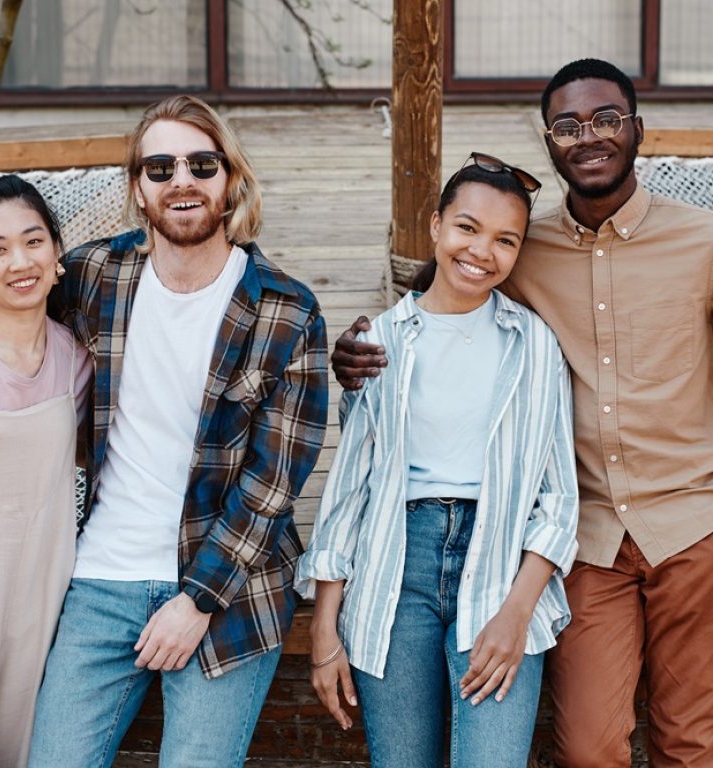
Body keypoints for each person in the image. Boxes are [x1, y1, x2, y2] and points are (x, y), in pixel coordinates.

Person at [333, 58, 713, 768]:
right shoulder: (518, 242)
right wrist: (353, 354)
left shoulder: (702, 242)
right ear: (549, 142)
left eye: (606, 119)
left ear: (637, 129)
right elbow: (434, 294)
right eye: (567, 126)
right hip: (589, 537)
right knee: (587, 746)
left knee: (691, 741)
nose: (588, 137)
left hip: (693, 526)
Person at [28, 95, 328, 768]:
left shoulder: (286, 310)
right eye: (160, 167)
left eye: (201, 163)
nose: (181, 181)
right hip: (101, 580)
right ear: (138, 187)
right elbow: (5, 302)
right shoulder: (94, 275)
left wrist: (197, 600)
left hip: (228, 591)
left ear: (231, 178)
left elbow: (274, 482)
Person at [295, 155, 578, 768]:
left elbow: (557, 499)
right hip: (397, 568)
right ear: (435, 226)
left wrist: (517, 612)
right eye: (467, 228)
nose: (482, 251)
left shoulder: (534, 345)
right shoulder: (380, 342)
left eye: (506, 240)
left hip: (502, 566)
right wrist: (324, 629)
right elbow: (351, 492)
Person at [0, 175, 92, 768]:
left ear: (57, 251)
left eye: (33, 242)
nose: (19, 262)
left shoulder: (78, 361)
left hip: (39, 620)